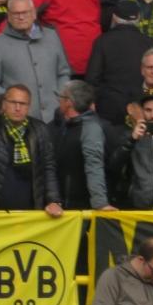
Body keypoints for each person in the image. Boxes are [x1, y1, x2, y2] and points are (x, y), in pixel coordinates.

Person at [0, 84, 63, 216]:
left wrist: (53, 201)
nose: (18, 108)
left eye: (23, 104)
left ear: (29, 106)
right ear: (4, 104)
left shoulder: (41, 129)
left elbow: (48, 167)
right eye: (13, 102)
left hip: (32, 211)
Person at [0, 0, 70, 124]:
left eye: (25, 12)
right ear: (8, 16)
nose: (21, 17)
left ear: (34, 14)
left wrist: (59, 97)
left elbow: (63, 72)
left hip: (53, 117)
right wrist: (8, 100)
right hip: (17, 120)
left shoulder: (51, 36)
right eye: (16, 14)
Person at [51, 80, 113, 211]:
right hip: (59, 206)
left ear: (69, 102)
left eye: (61, 97)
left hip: (80, 209)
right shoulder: (60, 125)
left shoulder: (90, 129)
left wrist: (100, 203)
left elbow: (94, 166)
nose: (59, 101)